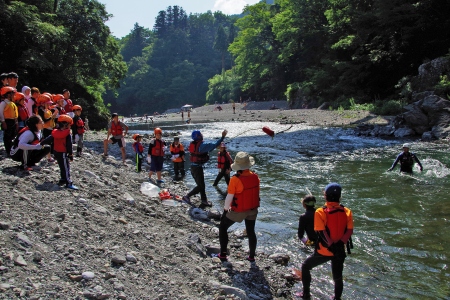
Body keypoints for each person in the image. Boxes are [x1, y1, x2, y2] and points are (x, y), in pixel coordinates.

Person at [299, 183, 354, 300]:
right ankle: (337, 298)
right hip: (340, 251)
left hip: (324, 251)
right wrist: (339, 245)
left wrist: (331, 246)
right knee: (337, 277)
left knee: (305, 266)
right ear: (339, 197)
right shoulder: (347, 211)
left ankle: (306, 295)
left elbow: (321, 232)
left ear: (325, 196)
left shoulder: (320, 212)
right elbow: (349, 231)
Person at [218, 151, 260, 262]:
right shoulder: (255, 176)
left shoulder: (235, 179)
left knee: (223, 227)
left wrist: (225, 211)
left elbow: (229, 198)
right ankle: (251, 257)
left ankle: (222, 254)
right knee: (251, 231)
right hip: (252, 209)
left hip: (239, 210)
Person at [182, 129, 228, 206]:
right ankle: (187, 196)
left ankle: (204, 200)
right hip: (197, 168)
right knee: (201, 186)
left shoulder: (194, 144)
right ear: (198, 136)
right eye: (200, 134)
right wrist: (222, 137)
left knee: (201, 184)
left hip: (193, 167)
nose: (202, 135)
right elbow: (214, 144)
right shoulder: (202, 145)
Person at [52, 115, 78, 190]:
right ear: (65, 124)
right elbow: (69, 145)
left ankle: (63, 179)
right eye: (69, 124)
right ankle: (68, 182)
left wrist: (41, 144)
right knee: (66, 167)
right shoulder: (67, 134)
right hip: (63, 153)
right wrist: (71, 154)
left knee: (61, 166)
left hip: (56, 152)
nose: (70, 126)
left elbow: (50, 139)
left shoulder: (55, 132)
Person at [0, 86, 18, 156]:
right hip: (7, 121)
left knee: (13, 135)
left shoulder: (12, 103)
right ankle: (8, 151)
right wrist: (3, 122)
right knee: (7, 136)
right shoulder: (3, 103)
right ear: (8, 94)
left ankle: (11, 149)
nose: (13, 95)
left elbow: (15, 114)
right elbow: (1, 113)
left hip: (13, 121)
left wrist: (16, 123)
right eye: (12, 93)